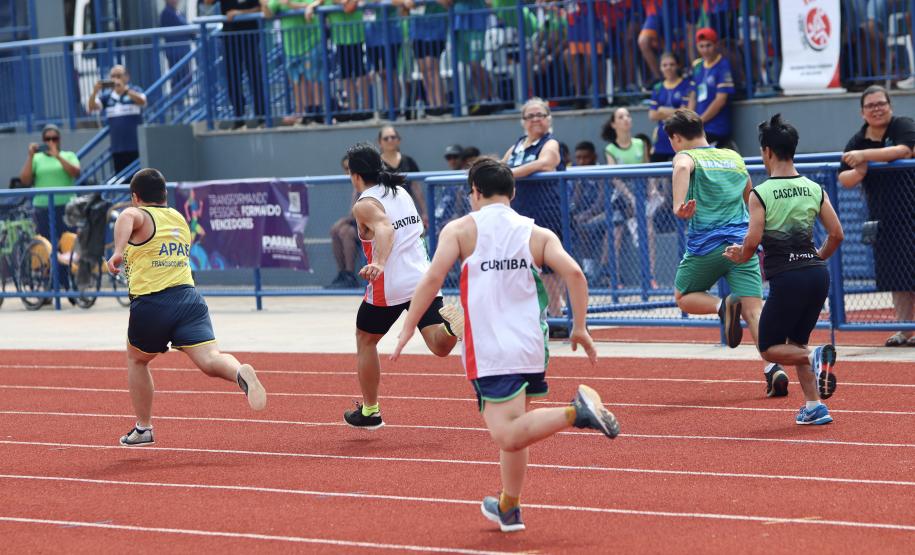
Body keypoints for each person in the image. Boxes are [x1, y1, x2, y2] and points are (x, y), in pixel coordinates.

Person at [390, 158, 620, 533]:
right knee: (518, 428)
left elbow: (432, 278)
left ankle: (576, 413)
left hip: (491, 350)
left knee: (506, 433)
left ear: (474, 193)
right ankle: (509, 506)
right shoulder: (537, 233)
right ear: (513, 193)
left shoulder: (461, 229)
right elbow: (575, 274)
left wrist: (407, 328)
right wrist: (579, 327)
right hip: (531, 345)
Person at [105, 168, 267, 446]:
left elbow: (127, 217)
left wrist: (119, 251)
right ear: (164, 195)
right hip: (189, 299)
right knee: (210, 359)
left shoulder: (138, 214)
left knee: (137, 359)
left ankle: (143, 428)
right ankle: (239, 372)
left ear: (136, 197)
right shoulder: (178, 218)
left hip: (152, 302)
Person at [724, 114, 843, 422]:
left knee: (769, 348)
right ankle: (814, 406)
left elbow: (753, 239)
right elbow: (837, 234)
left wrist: (740, 255)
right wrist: (815, 257)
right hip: (817, 274)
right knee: (796, 341)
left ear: (767, 152)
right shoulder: (814, 188)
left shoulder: (760, 193)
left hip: (787, 278)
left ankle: (815, 356)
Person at [665, 109, 783, 396]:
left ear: (676, 138)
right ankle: (773, 369)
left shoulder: (685, 156)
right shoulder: (733, 157)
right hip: (742, 245)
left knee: (683, 297)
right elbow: (750, 196)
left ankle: (721, 307)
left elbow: (681, 167)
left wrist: (678, 205)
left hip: (706, 246)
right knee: (755, 310)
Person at [342, 143, 458, 429]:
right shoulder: (400, 192)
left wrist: (379, 262)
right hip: (422, 277)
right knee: (439, 345)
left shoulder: (364, 204)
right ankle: (453, 326)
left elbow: (384, 228)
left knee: (366, 339)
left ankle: (370, 411)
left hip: (390, 285)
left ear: (355, 175)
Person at [838, 85, 915, 346]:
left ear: (890, 105)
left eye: (881, 103)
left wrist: (864, 158)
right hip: (884, 219)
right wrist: (859, 171)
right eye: (870, 105)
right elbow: (844, 177)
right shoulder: (857, 139)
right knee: (898, 279)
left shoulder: (902, 125)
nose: (877, 108)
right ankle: (906, 329)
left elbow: (904, 150)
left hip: (912, 214)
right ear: (862, 112)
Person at [502, 97, 567, 337]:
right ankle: (531, 315)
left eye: (540, 115)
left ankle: (557, 315)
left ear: (548, 119)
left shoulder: (550, 143)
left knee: (549, 265)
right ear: (523, 122)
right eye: (530, 116)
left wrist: (509, 174)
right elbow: (502, 165)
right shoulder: (517, 145)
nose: (536, 120)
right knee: (522, 264)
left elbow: (547, 163)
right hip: (519, 213)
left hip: (547, 210)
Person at [19, 123, 81, 294]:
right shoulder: (37, 158)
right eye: (47, 139)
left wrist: (58, 156)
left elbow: (75, 172)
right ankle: (51, 284)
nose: (51, 141)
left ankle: (67, 283)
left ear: (59, 140)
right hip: (44, 208)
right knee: (48, 245)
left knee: (67, 244)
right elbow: (24, 180)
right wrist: (30, 156)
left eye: (54, 138)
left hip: (66, 208)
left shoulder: (68, 155)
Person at [601, 108, 658, 288]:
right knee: (615, 236)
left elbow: (648, 168)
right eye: (620, 117)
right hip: (620, 196)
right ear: (613, 124)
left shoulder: (640, 144)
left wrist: (653, 188)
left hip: (641, 193)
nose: (625, 119)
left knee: (649, 233)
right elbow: (615, 177)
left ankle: (650, 277)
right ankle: (614, 279)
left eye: (627, 116)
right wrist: (629, 196)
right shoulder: (610, 149)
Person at [263, 0, 324, 125]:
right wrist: (264, 3)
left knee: (314, 77)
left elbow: (317, 2)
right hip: (291, 46)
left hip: (311, 42)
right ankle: (304, 112)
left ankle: (318, 112)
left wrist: (295, 5)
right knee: (297, 79)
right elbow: (267, 14)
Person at [206, 0, 266, 128]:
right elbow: (207, 2)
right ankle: (239, 117)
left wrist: (240, 12)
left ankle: (262, 117)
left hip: (250, 37)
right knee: (232, 79)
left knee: (255, 76)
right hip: (229, 38)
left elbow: (259, 7)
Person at [88, 65, 147, 174]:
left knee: (137, 178)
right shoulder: (107, 96)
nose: (115, 79)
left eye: (119, 75)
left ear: (127, 77)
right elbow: (91, 107)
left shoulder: (135, 90)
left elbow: (142, 101)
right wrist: (95, 91)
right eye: (113, 76)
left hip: (135, 146)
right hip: (117, 148)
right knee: (121, 178)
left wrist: (125, 90)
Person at [689, 27, 735, 148]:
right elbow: (693, 95)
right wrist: (689, 117)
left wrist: (700, 121)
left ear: (716, 45)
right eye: (701, 46)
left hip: (717, 128)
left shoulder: (723, 66)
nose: (705, 50)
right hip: (698, 127)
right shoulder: (698, 66)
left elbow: (720, 100)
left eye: (708, 45)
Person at [648, 52, 695, 163]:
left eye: (672, 64)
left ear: (678, 66)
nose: (668, 67)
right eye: (664, 65)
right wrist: (676, 110)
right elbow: (652, 115)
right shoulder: (658, 88)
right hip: (662, 138)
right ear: (660, 68)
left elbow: (686, 113)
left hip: (681, 137)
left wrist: (662, 111)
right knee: (656, 176)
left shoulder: (686, 85)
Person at [378, 125, 427, 226]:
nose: (390, 140)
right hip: (383, 211)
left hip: (407, 210)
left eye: (393, 137)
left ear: (398, 140)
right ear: (380, 142)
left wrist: (424, 212)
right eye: (386, 138)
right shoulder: (376, 163)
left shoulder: (408, 161)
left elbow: (416, 189)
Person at [328, 155, 360, 288]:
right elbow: (354, 213)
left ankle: (350, 276)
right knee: (336, 230)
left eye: (351, 169)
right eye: (346, 169)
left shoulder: (368, 182)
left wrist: (344, 220)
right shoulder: (355, 185)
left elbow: (360, 214)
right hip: (360, 225)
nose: (349, 173)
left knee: (346, 231)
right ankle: (343, 274)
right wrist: (345, 220)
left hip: (375, 227)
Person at [160, 0, 194, 89]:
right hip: (175, 52)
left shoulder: (178, 12)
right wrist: (192, 30)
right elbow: (184, 27)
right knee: (178, 80)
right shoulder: (166, 12)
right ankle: (177, 102)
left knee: (186, 79)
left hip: (183, 52)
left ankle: (181, 100)